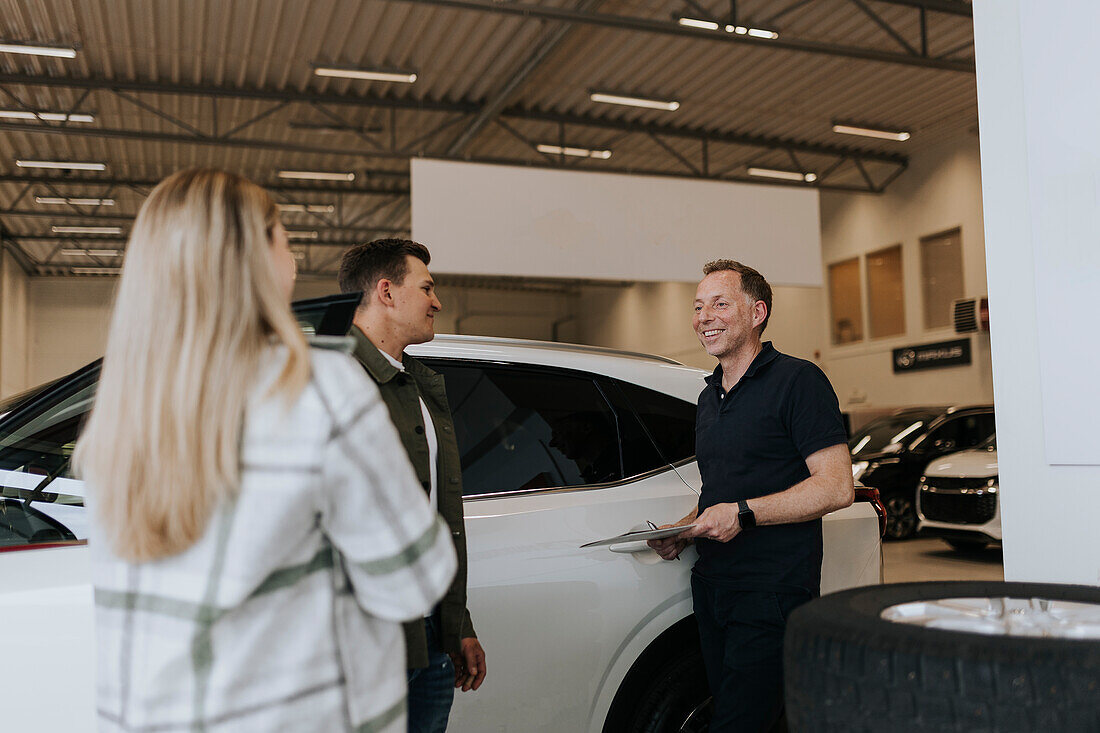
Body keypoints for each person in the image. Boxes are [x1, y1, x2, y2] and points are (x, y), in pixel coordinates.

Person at [75, 169, 456, 733]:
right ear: (252, 258)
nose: (295, 257)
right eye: (283, 238)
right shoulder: (319, 386)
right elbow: (414, 579)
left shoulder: (121, 413)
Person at [648, 259, 853, 732]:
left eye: (720, 303)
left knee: (741, 723)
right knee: (743, 715)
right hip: (714, 585)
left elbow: (836, 485)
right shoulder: (708, 396)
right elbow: (721, 490)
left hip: (772, 590)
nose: (704, 316)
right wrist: (684, 529)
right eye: (698, 306)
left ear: (757, 312)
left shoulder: (798, 381)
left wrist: (743, 514)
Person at [338, 239, 486, 733]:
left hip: (428, 637)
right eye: (426, 288)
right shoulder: (331, 378)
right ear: (385, 291)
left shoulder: (419, 386)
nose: (437, 302)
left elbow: (435, 517)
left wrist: (456, 626)